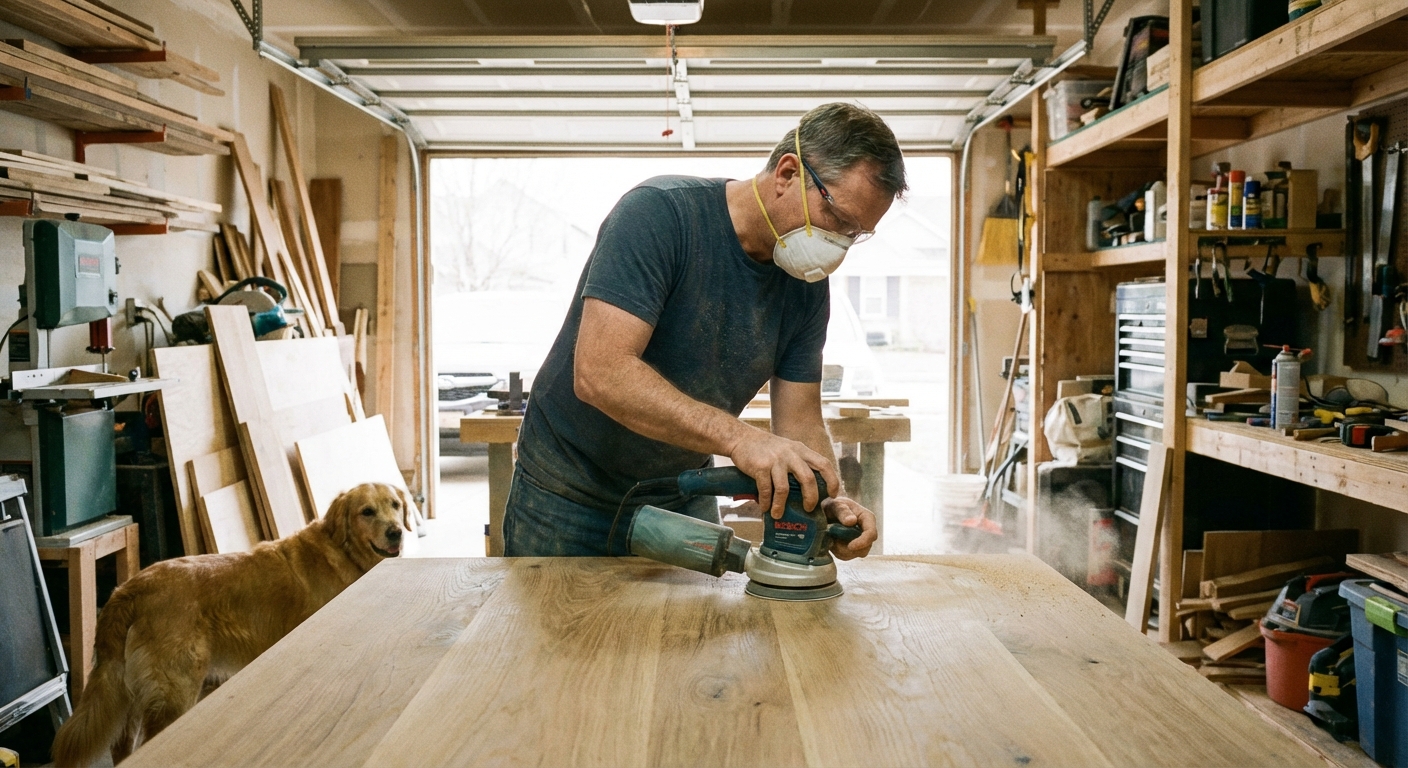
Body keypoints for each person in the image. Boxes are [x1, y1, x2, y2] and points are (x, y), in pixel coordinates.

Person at [504, 102, 906, 559]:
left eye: (856, 234)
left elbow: (800, 420)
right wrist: (741, 439)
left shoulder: (805, 285)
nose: (839, 245)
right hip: (567, 491)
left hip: (680, 492)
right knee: (555, 629)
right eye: (837, 218)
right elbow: (600, 372)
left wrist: (824, 501)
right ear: (788, 173)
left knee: (695, 629)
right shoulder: (661, 216)